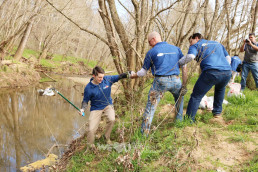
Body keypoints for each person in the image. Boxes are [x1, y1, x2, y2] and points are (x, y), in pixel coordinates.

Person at [131, 31, 187, 135]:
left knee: (151, 107)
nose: (149, 44)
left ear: (154, 39)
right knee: (179, 100)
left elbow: (143, 72)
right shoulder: (176, 49)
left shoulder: (151, 52)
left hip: (160, 81)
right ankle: (179, 125)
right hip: (176, 80)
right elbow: (184, 66)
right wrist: (184, 84)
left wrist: (133, 75)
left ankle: (144, 134)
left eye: (149, 42)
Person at [179, 33, 232, 122]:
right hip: (227, 72)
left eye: (190, 41)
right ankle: (217, 113)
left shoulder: (196, 45)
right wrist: (224, 68)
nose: (190, 44)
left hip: (211, 72)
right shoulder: (217, 43)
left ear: (196, 38)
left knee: (196, 96)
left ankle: (189, 120)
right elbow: (228, 58)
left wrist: (178, 63)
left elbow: (191, 56)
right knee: (220, 89)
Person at [79, 66, 131, 147]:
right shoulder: (88, 88)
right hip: (96, 108)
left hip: (107, 105)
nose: (101, 79)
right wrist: (82, 109)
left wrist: (129, 74)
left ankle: (106, 137)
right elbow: (85, 101)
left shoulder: (107, 79)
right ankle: (90, 146)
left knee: (112, 119)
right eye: (99, 77)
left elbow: (119, 76)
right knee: (91, 130)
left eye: (102, 77)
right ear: (94, 76)